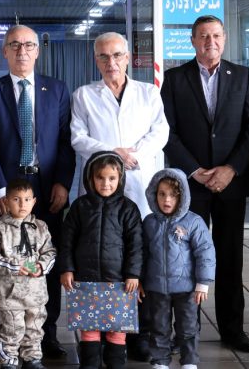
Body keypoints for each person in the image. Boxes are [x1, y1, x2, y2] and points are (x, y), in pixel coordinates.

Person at [160, 15, 249, 353]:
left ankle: (233, 330)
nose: (210, 42)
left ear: (225, 38)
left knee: (230, 258)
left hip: (231, 183)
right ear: (192, 40)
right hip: (192, 185)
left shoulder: (242, 76)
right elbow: (166, 132)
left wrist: (231, 168)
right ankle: (188, 332)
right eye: (203, 36)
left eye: (216, 35)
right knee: (187, 259)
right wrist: (194, 170)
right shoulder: (175, 79)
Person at [0, 24, 75, 360]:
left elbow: (66, 142)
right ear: (4, 51)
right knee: (9, 267)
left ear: (38, 51)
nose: (22, 51)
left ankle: (47, 335)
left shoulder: (56, 89)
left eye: (29, 45)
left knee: (46, 261)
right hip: (7, 189)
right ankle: (8, 340)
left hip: (46, 190)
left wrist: (63, 182)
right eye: (15, 45)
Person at [71, 31, 169, 361]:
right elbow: (78, 138)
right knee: (104, 262)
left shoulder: (148, 92)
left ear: (127, 57)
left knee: (141, 261)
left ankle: (140, 335)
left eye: (116, 55)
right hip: (100, 192)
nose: (110, 62)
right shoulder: (84, 95)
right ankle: (101, 334)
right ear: (95, 60)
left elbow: (161, 132)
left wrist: (132, 155)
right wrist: (113, 153)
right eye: (103, 56)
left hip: (140, 186)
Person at [58, 151, 143, 369]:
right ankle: (90, 364)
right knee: (89, 328)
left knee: (117, 329)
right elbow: (66, 241)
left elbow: (136, 245)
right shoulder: (80, 207)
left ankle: (115, 363)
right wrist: (67, 268)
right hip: (86, 280)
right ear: (90, 178)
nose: (106, 183)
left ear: (120, 178)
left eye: (112, 178)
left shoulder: (128, 209)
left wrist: (133, 274)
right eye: (100, 177)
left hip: (119, 282)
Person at [140, 168, 216, 369]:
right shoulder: (149, 223)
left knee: (188, 327)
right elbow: (142, 253)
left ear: (182, 197)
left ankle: (189, 361)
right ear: (154, 194)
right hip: (157, 288)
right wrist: (139, 279)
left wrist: (203, 283)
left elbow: (205, 252)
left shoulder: (193, 222)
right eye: (162, 194)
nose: (167, 199)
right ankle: (160, 361)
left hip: (187, 289)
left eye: (173, 195)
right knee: (159, 327)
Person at [0, 178, 57, 369]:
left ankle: (32, 358)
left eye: (27, 199)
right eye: (16, 199)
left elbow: (50, 252)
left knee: (34, 327)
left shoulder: (41, 227)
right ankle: (8, 360)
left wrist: (42, 266)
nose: (22, 204)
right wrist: (14, 267)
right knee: (12, 329)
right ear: (6, 201)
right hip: (9, 294)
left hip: (36, 293)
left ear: (34, 201)